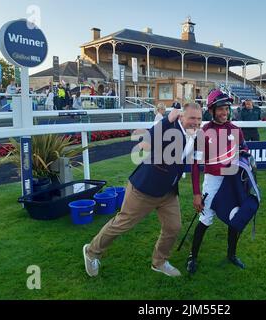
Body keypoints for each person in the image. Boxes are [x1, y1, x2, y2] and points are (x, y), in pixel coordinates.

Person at [83, 103, 203, 278]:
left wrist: (197, 192)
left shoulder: (196, 134)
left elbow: (195, 163)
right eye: (192, 118)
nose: (196, 122)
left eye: (199, 118)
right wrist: (166, 120)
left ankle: (159, 262)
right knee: (121, 224)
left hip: (168, 192)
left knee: (173, 227)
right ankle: (92, 252)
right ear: (181, 117)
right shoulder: (168, 126)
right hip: (144, 189)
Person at [187, 89, 249, 274]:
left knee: (235, 218)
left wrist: (247, 158)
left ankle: (231, 254)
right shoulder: (203, 132)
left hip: (232, 181)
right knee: (205, 219)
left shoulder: (236, 130)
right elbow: (195, 165)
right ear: (212, 110)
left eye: (227, 108)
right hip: (212, 182)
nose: (224, 112)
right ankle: (193, 256)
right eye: (220, 108)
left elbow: (245, 151)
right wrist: (197, 193)